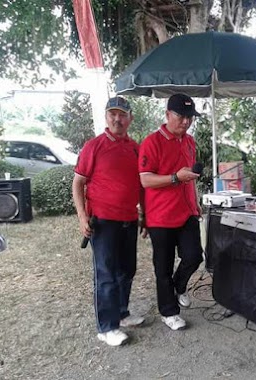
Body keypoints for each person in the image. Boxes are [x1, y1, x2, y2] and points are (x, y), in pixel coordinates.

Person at [72, 96, 144, 347]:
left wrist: (143, 214)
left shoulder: (135, 148)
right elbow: (78, 183)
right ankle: (106, 327)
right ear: (106, 117)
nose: (117, 119)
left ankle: (122, 314)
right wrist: (82, 217)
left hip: (129, 219)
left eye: (122, 114)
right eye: (113, 114)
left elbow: (141, 185)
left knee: (128, 270)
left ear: (130, 119)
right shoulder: (94, 146)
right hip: (103, 221)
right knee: (106, 275)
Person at [139, 93, 204, 331]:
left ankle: (179, 287)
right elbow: (145, 180)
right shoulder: (152, 142)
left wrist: (195, 203)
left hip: (187, 212)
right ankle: (168, 311)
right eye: (181, 116)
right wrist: (176, 177)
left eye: (190, 117)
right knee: (163, 266)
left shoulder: (189, 142)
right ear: (167, 114)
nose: (186, 122)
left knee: (194, 256)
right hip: (161, 216)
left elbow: (191, 179)